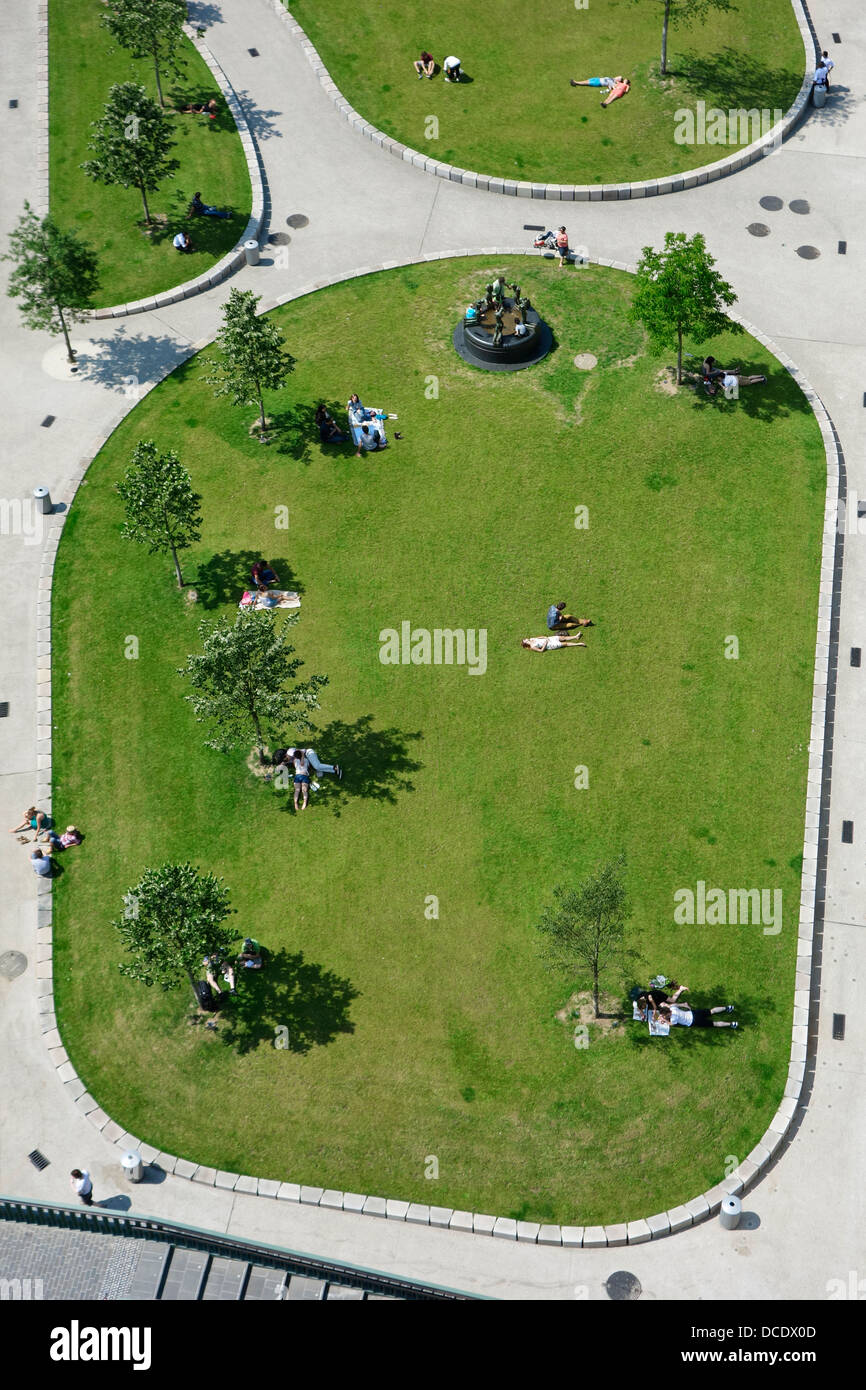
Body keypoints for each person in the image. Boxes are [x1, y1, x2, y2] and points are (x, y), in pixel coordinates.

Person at [653, 993, 739, 1031]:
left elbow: (671, 1024)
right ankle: (727, 1008)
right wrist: (685, 1005)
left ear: (668, 1014)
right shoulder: (672, 1007)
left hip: (693, 1021)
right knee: (711, 1011)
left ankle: (731, 1024)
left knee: (714, 1024)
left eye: (664, 1015)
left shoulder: (673, 1018)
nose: (663, 1016)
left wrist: (665, 1021)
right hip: (694, 1013)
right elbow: (677, 1005)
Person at [274, 746, 343, 780]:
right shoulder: (286, 759)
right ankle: (335, 771)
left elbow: (300, 752)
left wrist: (302, 759)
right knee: (317, 770)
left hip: (308, 753)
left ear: (285, 755)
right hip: (307, 759)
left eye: (285, 759)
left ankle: (335, 767)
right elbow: (281, 765)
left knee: (317, 766)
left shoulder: (290, 752)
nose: (286, 760)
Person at [521, 634, 587, 652]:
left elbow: (539, 637)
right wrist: (545, 643)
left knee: (563, 637)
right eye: (524, 640)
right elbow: (541, 650)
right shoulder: (532, 646)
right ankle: (579, 644)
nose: (525, 638)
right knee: (565, 644)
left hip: (549, 638)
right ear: (526, 643)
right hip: (550, 645)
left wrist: (545, 637)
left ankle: (575, 637)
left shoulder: (532, 638)